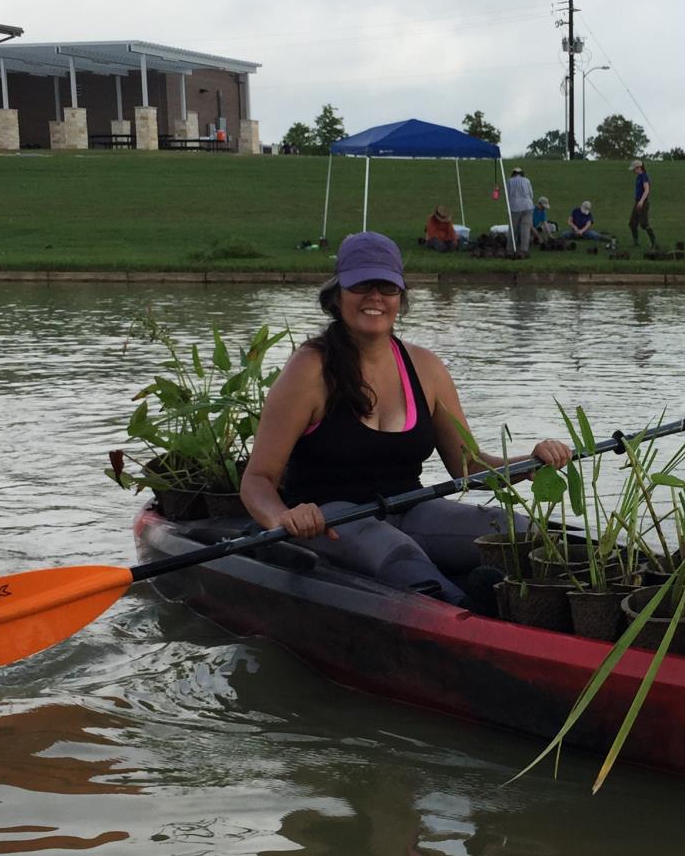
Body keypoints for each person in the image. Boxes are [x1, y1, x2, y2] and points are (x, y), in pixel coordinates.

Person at [240, 232, 572, 608]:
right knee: (401, 557)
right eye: (361, 284)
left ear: (401, 296)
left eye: (387, 286)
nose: (375, 297)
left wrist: (532, 462)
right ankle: (469, 610)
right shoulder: (309, 370)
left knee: (519, 532)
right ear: (337, 295)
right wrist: (283, 517)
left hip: (410, 508)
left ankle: (534, 605)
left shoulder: (426, 368)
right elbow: (257, 480)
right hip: (328, 520)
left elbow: (469, 466)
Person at [505, 166, 535, 252]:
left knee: (513, 228)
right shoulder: (527, 180)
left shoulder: (510, 181)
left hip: (515, 207)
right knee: (525, 229)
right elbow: (531, 194)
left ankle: (510, 248)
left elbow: (507, 195)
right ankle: (524, 249)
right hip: (528, 206)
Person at [629, 160, 657, 249]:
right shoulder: (638, 177)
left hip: (643, 203)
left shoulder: (644, 176)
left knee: (644, 223)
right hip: (637, 202)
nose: (633, 171)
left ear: (639, 168)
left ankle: (653, 242)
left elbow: (647, 190)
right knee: (632, 223)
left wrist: (641, 201)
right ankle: (636, 242)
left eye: (634, 169)